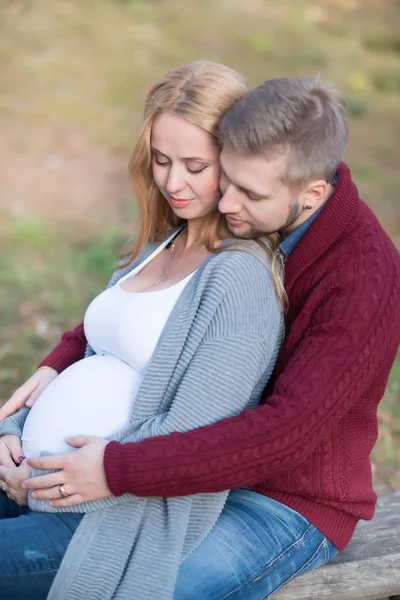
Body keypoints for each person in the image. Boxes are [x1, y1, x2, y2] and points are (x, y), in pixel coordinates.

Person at [2, 75, 400, 600]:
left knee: (151, 585)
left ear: (312, 194)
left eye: (245, 191)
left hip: (282, 500)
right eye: (225, 177)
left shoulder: (360, 274)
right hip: (189, 467)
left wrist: (119, 470)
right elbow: (146, 312)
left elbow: (288, 431)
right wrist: (59, 362)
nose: (226, 202)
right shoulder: (261, 197)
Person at [0, 61, 286, 600]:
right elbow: (88, 354)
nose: (173, 182)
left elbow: (192, 435)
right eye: (161, 160)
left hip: (103, 516)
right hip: (30, 479)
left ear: (236, 162)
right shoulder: (159, 244)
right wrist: (13, 435)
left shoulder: (239, 277)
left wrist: (41, 485)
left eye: (195, 166)